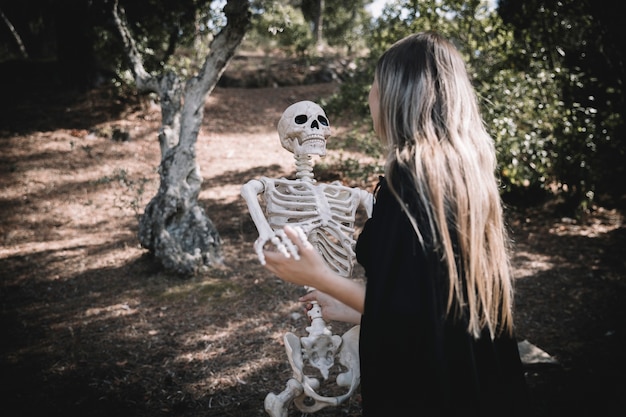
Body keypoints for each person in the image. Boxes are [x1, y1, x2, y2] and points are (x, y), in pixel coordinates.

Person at [260, 31, 530, 416]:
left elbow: (411, 312)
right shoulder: (462, 176)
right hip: (478, 378)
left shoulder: (408, 181)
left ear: (396, 97)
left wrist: (320, 276)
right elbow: (437, 305)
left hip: (427, 391)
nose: (370, 96)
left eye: (374, 84)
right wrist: (353, 305)